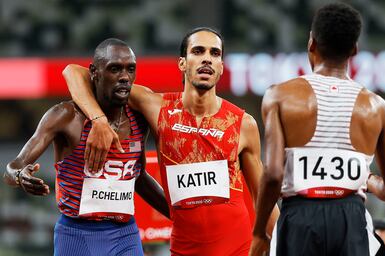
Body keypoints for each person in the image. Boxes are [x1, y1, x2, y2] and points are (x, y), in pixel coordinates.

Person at [62, 27, 278, 256]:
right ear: (182, 63)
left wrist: (285, 240)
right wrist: (99, 121)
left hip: (237, 249)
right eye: (198, 51)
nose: (207, 58)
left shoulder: (243, 123)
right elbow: (73, 72)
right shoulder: (156, 107)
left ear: (221, 67)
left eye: (215, 53)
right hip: (183, 249)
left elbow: (262, 198)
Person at [250, 3, 385, 256]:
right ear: (354, 49)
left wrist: (259, 232)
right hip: (351, 218)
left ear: (311, 43)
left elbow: (274, 174)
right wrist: (365, 178)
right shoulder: (377, 107)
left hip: (300, 216)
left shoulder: (279, 96)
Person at [3, 38, 169, 256]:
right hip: (75, 235)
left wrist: (179, 215)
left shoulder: (138, 120)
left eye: (130, 69)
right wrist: (19, 176)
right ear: (94, 72)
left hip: (124, 234)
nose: (124, 77)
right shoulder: (65, 116)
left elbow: (138, 177)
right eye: (114, 69)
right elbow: (13, 167)